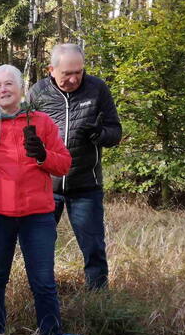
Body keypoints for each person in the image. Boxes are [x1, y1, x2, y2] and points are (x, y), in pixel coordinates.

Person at [0, 65, 72, 335]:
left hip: (38, 216)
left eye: (9, 84)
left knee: (44, 282)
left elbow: (64, 165)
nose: (3, 89)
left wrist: (42, 155)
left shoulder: (42, 123)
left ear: (21, 88)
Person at [26, 43, 122, 290]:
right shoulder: (38, 92)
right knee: (40, 245)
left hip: (85, 185)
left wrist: (100, 134)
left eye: (78, 72)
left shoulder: (97, 89)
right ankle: (41, 292)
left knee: (93, 248)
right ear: (51, 70)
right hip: (47, 186)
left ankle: (98, 298)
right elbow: (22, 134)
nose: (73, 78)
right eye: (66, 73)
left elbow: (115, 132)